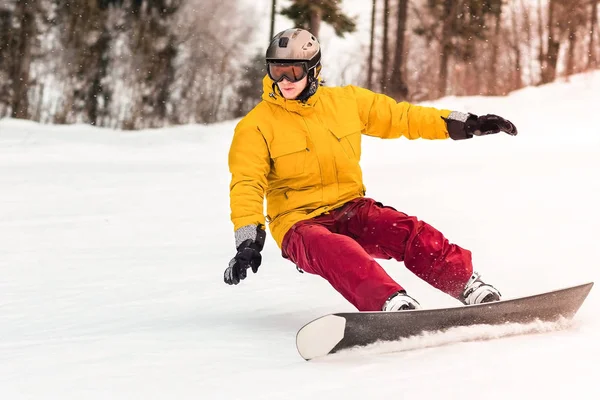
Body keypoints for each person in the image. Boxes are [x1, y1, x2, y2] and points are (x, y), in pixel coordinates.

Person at [225, 28, 517, 312]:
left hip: (350, 207)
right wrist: (248, 239)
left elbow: (402, 117)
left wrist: (465, 123)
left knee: (408, 231)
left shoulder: (345, 103)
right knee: (338, 250)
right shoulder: (255, 126)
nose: (285, 80)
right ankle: (389, 302)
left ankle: (467, 284)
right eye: (277, 71)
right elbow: (246, 183)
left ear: (313, 70)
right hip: (298, 224)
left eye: (294, 71)